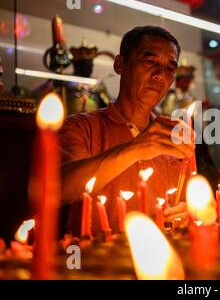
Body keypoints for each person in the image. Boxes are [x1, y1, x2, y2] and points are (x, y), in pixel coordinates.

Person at [59, 26, 195, 236]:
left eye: (170, 68)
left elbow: (198, 207)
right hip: (97, 263)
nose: (160, 75)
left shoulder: (173, 137)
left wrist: (188, 212)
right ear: (120, 64)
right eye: (150, 62)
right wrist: (135, 149)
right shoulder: (80, 127)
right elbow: (59, 190)